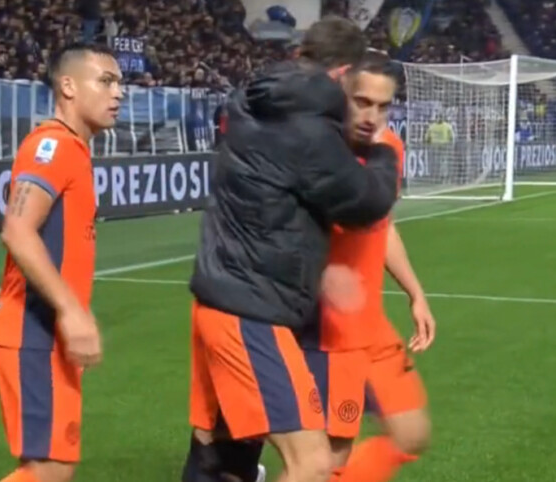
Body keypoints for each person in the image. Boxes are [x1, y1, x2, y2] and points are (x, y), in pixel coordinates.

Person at [182, 15, 401, 482]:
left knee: (222, 454)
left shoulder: (252, 99)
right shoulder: (309, 130)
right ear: (342, 74)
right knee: (312, 464)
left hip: (223, 295)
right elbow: (365, 203)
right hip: (251, 310)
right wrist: (383, 155)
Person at [0, 43, 122, 482]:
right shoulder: (52, 146)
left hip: (46, 335)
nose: (118, 93)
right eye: (106, 81)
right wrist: (71, 311)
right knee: (49, 467)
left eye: (119, 83)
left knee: (54, 466)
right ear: (68, 86)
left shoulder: (73, 149)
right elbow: (17, 230)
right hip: (31, 330)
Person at [316, 50, 435, 482]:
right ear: (342, 93)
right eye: (362, 102)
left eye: (383, 107)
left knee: (412, 433)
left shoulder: (389, 150)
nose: (371, 116)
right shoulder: (319, 154)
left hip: (374, 326)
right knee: (333, 454)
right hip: (331, 333)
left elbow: (384, 225)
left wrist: (415, 293)